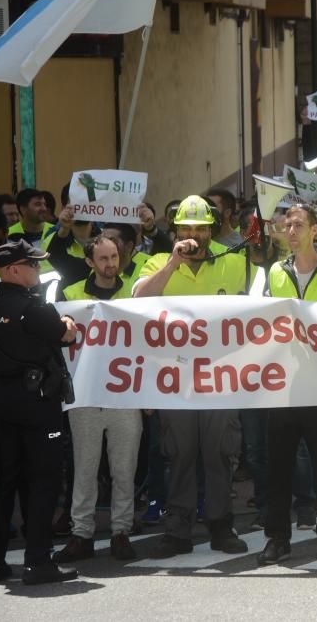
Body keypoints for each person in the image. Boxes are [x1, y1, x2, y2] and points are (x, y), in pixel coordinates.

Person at [133, 195, 250, 558]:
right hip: (175, 380)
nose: (194, 235)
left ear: (212, 229)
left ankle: (220, 524)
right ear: (176, 230)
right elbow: (137, 298)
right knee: (180, 453)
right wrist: (172, 263)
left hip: (221, 379)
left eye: (201, 228)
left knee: (219, 452)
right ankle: (178, 529)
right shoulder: (156, 261)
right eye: (187, 228)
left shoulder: (233, 261)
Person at [258, 205, 317, 566]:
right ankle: (277, 537)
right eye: (287, 225)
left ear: (315, 231)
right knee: (277, 466)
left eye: (298, 225)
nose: (291, 231)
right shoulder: (275, 272)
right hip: (284, 385)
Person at [0, 240, 79, 585]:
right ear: (13, 269)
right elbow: (67, 335)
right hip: (37, 401)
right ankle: (37, 562)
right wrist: (67, 321)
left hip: (1, 400)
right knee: (43, 480)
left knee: (4, 482)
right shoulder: (34, 308)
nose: (39, 271)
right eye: (34, 265)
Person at [52, 237, 140, 564]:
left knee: (124, 468)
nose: (110, 264)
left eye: (114, 256)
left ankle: (121, 532)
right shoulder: (71, 294)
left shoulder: (135, 292)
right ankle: (81, 533)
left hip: (126, 394)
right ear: (90, 261)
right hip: (86, 395)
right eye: (102, 258)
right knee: (84, 467)